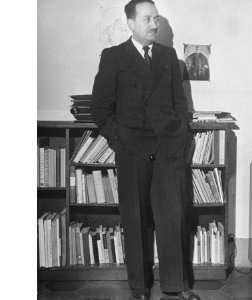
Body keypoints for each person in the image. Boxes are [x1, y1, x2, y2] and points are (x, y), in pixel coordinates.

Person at [91, 1, 201, 299]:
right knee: (135, 219)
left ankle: (176, 286)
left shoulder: (168, 56)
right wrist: (120, 140)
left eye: (156, 18)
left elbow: (181, 103)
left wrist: (178, 136)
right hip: (132, 151)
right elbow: (100, 108)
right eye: (147, 18)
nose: (154, 24)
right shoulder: (113, 57)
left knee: (172, 217)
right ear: (130, 23)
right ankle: (140, 288)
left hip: (168, 150)